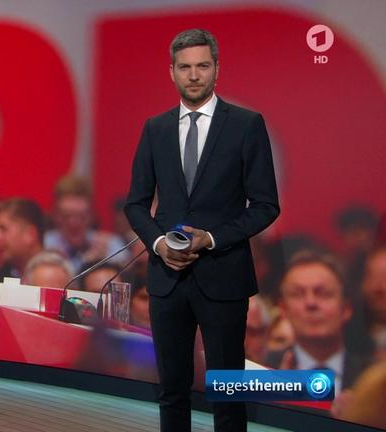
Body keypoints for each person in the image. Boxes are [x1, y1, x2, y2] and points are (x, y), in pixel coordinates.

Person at [124, 29, 280, 431]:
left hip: (224, 277)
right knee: (171, 391)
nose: (194, 75)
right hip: (167, 279)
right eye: (185, 67)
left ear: (217, 69)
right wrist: (159, 244)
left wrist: (211, 239)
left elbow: (266, 206)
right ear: (172, 72)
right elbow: (136, 203)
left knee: (227, 395)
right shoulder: (155, 128)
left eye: (202, 66)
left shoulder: (246, 125)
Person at [265, 251, 369, 397]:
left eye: (323, 293)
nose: (311, 303)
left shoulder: (373, 378)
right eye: (297, 294)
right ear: (283, 309)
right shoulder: (260, 370)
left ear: (346, 309)